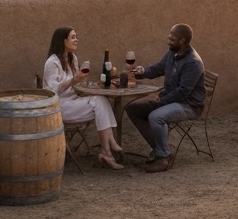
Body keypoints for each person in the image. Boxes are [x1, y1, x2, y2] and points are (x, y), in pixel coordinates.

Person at [126, 24, 205, 173]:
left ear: (182, 41)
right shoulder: (172, 54)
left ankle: (163, 157)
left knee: (156, 116)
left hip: (188, 105)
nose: (168, 41)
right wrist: (142, 72)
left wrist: (162, 101)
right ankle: (160, 149)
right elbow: (158, 68)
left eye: (172, 39)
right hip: (170, 100)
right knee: (133, 109)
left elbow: (183, 92)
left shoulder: (193, 62)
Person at [44, 27, 124, 169]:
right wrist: (73, 80)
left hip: (73, 102)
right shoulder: (52, 62)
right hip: (58, 107)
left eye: (76, 36)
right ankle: (109, 146)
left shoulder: (72, 58)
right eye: (73, 37)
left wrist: (89, 84)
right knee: (100, 103)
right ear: (63, 41)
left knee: (101, 100)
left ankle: (107, 152)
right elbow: (52, 91)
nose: (76, 40)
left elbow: (78, 83)